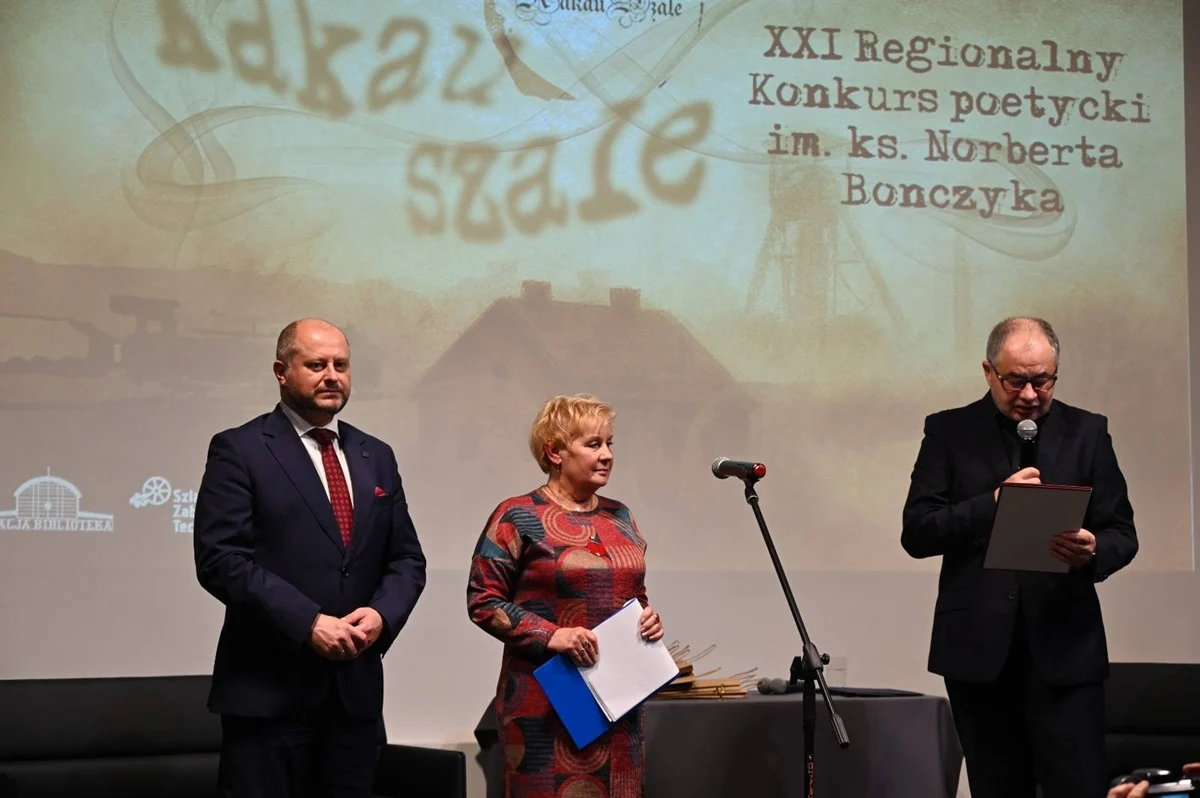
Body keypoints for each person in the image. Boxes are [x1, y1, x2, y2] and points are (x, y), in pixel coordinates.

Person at [901, 317, 1138, 798]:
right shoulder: (949, 431)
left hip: (1066, 651)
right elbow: (918, 532)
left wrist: (1093, 549)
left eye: (1042, 380)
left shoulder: (1088, 431)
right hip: (977, 652)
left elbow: (1122, 533)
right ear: (988, 372)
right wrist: (992, 504)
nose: (1030, 394)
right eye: (1015, 381)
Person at [194, 318, 427, 797]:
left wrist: (381, 616)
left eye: (341, 365)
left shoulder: (376, 455)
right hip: (268, 695)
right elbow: (220, 559)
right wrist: (308, 622)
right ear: (281, 372)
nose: (332, 376)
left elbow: (406, 559)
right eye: (317, 365)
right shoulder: (240, 448)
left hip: (353, 698)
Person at [466, 394, 665, 798]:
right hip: (546, 707)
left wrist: (647, 617)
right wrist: (552, 635)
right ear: (555, 451)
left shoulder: (620, 516)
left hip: (617, 702)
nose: (607, 455)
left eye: (609, 443)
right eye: (593, 444)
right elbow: (482, 600)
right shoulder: (517, 515)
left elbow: (634, 594)